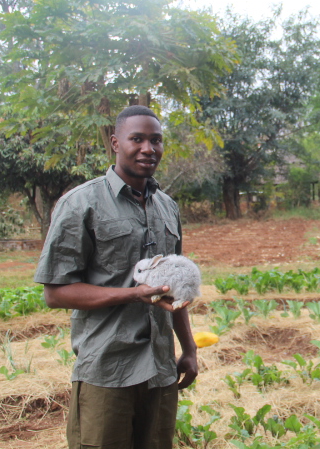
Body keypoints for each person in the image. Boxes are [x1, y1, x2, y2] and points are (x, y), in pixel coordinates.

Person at [34, 105, 198, 449]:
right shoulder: (80, 204)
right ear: (115, 143)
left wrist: (190, 348)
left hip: (160, 368)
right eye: (136, 139)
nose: (147, 149)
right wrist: (131, 295)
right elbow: (56, 293)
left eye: (156, 140)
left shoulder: (167, 206)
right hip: (107, 369)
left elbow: (175, 288)